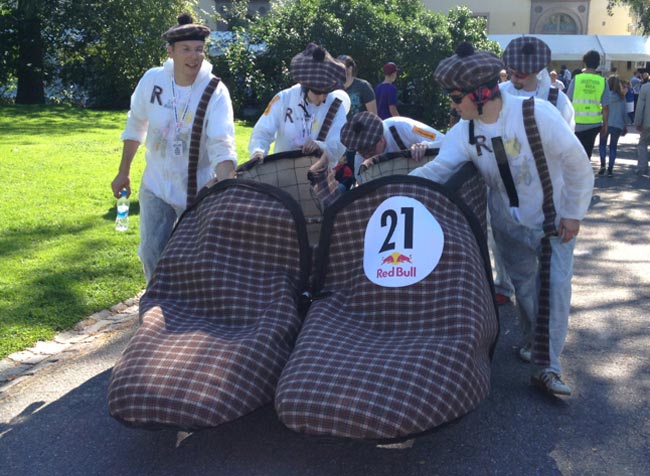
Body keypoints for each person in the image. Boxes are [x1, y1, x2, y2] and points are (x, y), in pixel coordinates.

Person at [410, 42, 594, 397]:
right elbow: (439, 169)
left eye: (456, 97)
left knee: (554, 291)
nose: (452, 105)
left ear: (481, 93)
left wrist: (573, 213)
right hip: (507, 225)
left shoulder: (537, 114)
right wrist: (393, 188)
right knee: (526, 290)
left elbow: (576, 162)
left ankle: (548, 367)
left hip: (552, 221)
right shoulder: (464, 132)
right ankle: (534, 341)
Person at [111, 13, 237, 283]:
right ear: (170, 51)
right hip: (156, 183)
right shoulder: (152, 80)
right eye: (186, 49)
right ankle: (155, 303)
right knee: (150, 253)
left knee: (197, 261)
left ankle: (191, 305)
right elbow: (136, 125)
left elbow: (222, 144)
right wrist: (124, 172)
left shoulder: (215, 91)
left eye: (199, 49)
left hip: (198, 189)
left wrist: (228, 186)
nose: (194, 56)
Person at [496, 36, 576, 305]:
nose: (514, 76)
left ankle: (549, 332)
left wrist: (572, 211)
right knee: (518, 271)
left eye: (521, 72)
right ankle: (506, 287)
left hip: (549, 199)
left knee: (555, 279)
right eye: (512, 69)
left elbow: (569, 157)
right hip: (507, 195)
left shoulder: (557, 100)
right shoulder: (500, 94)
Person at [248, 43, 350, 169]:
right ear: (305, 86)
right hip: (283, 170)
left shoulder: (336, 106)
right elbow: (262, 131)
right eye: (317, 92)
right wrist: (258, 151)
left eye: (326, 92)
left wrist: (320, 146)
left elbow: (339, 144)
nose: (321, 97)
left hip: (318, 174)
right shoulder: (284, 98)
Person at [340, 111, 445, 184]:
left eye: (371, 151)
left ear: (381, 139)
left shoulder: (404, 127)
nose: (367, 156)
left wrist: (426, 146)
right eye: (362, 153)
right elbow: (362, 185)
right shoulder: (360, 160)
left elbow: (445, 141)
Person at [567, 50, 610, 162]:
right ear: (598, 63)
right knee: (587, 152)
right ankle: (585, 168)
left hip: (576, 122)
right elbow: (605, 107)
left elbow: (568, 101)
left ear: (584, 62)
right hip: (593, 124)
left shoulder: (576, 79)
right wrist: (605, 124)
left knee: (575, 152)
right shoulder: (602, 81)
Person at [598, 76, 630, 177]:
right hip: (617, 125)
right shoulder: (622, 97)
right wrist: (625, 125)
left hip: (605, 124)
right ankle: (610, 169)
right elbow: (624, 113)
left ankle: (602, 165)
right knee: (613, 147)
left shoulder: (604, 97)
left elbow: (601, 110)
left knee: (602, 145)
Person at [338, 55, 376, 119]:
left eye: (341, 67)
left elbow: (373, 116)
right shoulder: (334, 88)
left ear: (350, 69)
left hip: (360, 124)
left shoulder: (363, 86)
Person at [634, 80, 650, 176]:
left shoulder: (645, 88)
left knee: (642, 144)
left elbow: (640, 107)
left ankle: (642, 168)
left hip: (647, 122)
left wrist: (638, 122)